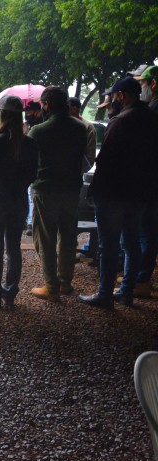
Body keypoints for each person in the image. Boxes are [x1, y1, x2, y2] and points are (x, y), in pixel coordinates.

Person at [80, 76, 158, 308]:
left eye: (113, 96)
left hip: (114, 194)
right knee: (132, 242)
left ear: (121, 96)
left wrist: (95, 191)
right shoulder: (153, 119)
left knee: (108, 245)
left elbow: (106, 161)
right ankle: (127, 292)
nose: (112, 100)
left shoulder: (120, 121)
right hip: (140, 192)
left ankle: (105, 294)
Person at [0, 95, 39, 307]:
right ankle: (10, 294)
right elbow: (32, 174)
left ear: (1, 114)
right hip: (18, 202)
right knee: (14, 249)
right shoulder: (29, 144)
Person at [26, 86, 88, 302]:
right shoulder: (80, 128)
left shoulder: (38, 131)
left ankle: (51, 287)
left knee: (44, 238)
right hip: (72, 189)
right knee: (68, 237)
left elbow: (29, 163)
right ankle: (65, 283)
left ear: (47, 104)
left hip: (46, 189)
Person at [133, 65, 158, 297]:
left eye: (143, 83)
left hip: (149, 182)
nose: (141, 88)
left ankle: (141, 280)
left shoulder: (152, 111)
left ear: (153, 84)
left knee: (146, 233)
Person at [23, 101, 44, 236]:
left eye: (28, 112)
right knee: (29, 194)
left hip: (36, 165)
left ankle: (31, 222)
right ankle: (30, 220)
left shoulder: (38, 127)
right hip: (31, 165)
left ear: (36, 111)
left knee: (31, 194)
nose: (26, 114)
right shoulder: (29, 126)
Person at [68, 97, 97, 171]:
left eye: (67, 108)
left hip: (76, 174)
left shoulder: (88, 127)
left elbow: (90, 158)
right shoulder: (63, 124)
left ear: (74, 109)